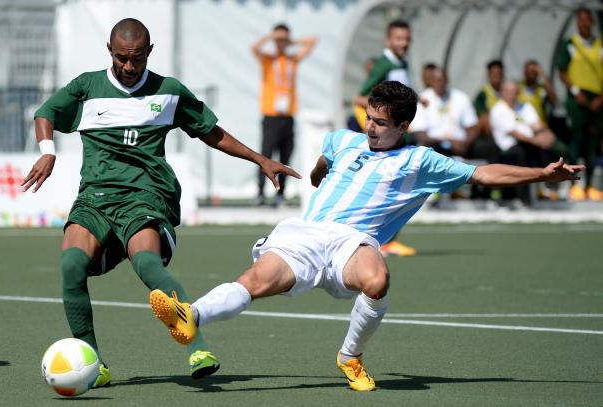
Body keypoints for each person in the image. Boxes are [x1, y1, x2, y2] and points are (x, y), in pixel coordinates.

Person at [149, 81, 583, 392]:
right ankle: (191, 317)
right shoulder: (346, 139)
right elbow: (326, 155)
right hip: (303, 234)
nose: (371, 128)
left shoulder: (421, 160)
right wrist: (319, 172)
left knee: (377, 279)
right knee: (256, 282)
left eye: (381, 123)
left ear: (404, 125)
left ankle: (349, 357)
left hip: (352, 242)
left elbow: (484, 171)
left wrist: (542, 173)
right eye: (369, 119)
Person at [21, 18, 300, 387]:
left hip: (145, 196)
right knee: (71, 265)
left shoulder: (168, 91)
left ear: (149, 52)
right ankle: (94, 363)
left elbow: (210, 133)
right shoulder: (88, 87)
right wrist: (47, 152)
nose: (129, 66)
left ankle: (197, 347)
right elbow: (47, 113)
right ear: (110, 51)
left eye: (137, 58)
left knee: (148, 264)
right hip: (96, 198)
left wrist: (260, 159)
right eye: (122, 58)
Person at [353, 19, 416, 257]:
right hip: (389, 140)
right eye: (399, 38)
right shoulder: (384, 64)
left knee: (401, 186)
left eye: (407, 38)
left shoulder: (402, 63)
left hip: (399, 134)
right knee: (390, 187)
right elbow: (360, 98)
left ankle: (386, 239)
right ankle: (383, 240)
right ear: (388, 40)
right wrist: (378, 126)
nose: (404, 43)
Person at [252, 23, 317, 207]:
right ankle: (260, 192)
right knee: (265, 155)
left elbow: (312, 42)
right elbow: (254, 48)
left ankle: (280, 194)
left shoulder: (291, 59)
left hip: (288, 116)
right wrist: (271, 37)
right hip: (271, 115)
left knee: (286, 156)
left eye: (283, 39)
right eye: (278, 39)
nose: (280, 43)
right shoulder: (268, 59)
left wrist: (289, 41)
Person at [490, 81, 566, 204]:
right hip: (506, 147)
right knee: (524, 152)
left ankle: (552, 187)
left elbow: (536, 125)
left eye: (515, 92)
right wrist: (537, 141)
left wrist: (547, 133)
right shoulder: (498, 110)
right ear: (502, 93)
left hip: (528, 143)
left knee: (554, 148)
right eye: (508, 92)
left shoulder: (525, 106)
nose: (512, 95)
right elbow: (514, 133)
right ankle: (524, 198)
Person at [557, 7, 603, 201]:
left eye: (587, 20)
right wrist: (575, 92)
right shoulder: (570, 44)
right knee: (576, 140)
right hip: (578, 98)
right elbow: (562, 72)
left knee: (593, 142)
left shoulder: (600, 45)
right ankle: (574, 185)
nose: (584, 23)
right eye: (581, 20)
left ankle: (591, 185)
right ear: (577, 22)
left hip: (597, 98)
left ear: (592, 22)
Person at [410, 67, 479, 158]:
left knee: (486, 147)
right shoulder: (423, 99)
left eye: (442, 80)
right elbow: (420, 134)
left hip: (461, 146)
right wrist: (446, 143)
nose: (440, 83)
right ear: (431, 81)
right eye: (437, 80)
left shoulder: (461, 97)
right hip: (434, 147)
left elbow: (472, 127)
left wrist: (465, 143)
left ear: (447, 80)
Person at [519, 59, 557, 124]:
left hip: (539, 125)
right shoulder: (518, 87)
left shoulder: (542, 89)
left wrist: (542, 75)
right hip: (522, 125)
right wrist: (517, 121)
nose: (530, 74)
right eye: (528, 71)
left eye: (533, 71)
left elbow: (553, 100)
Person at [473, 60, 504, 137]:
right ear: (488, 75)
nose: (496, 77)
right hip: (493, 129)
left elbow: (517, 116)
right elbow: (482, 117)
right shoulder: (482, 95)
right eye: (493, 74)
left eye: (498, 74)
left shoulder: (509, 92)